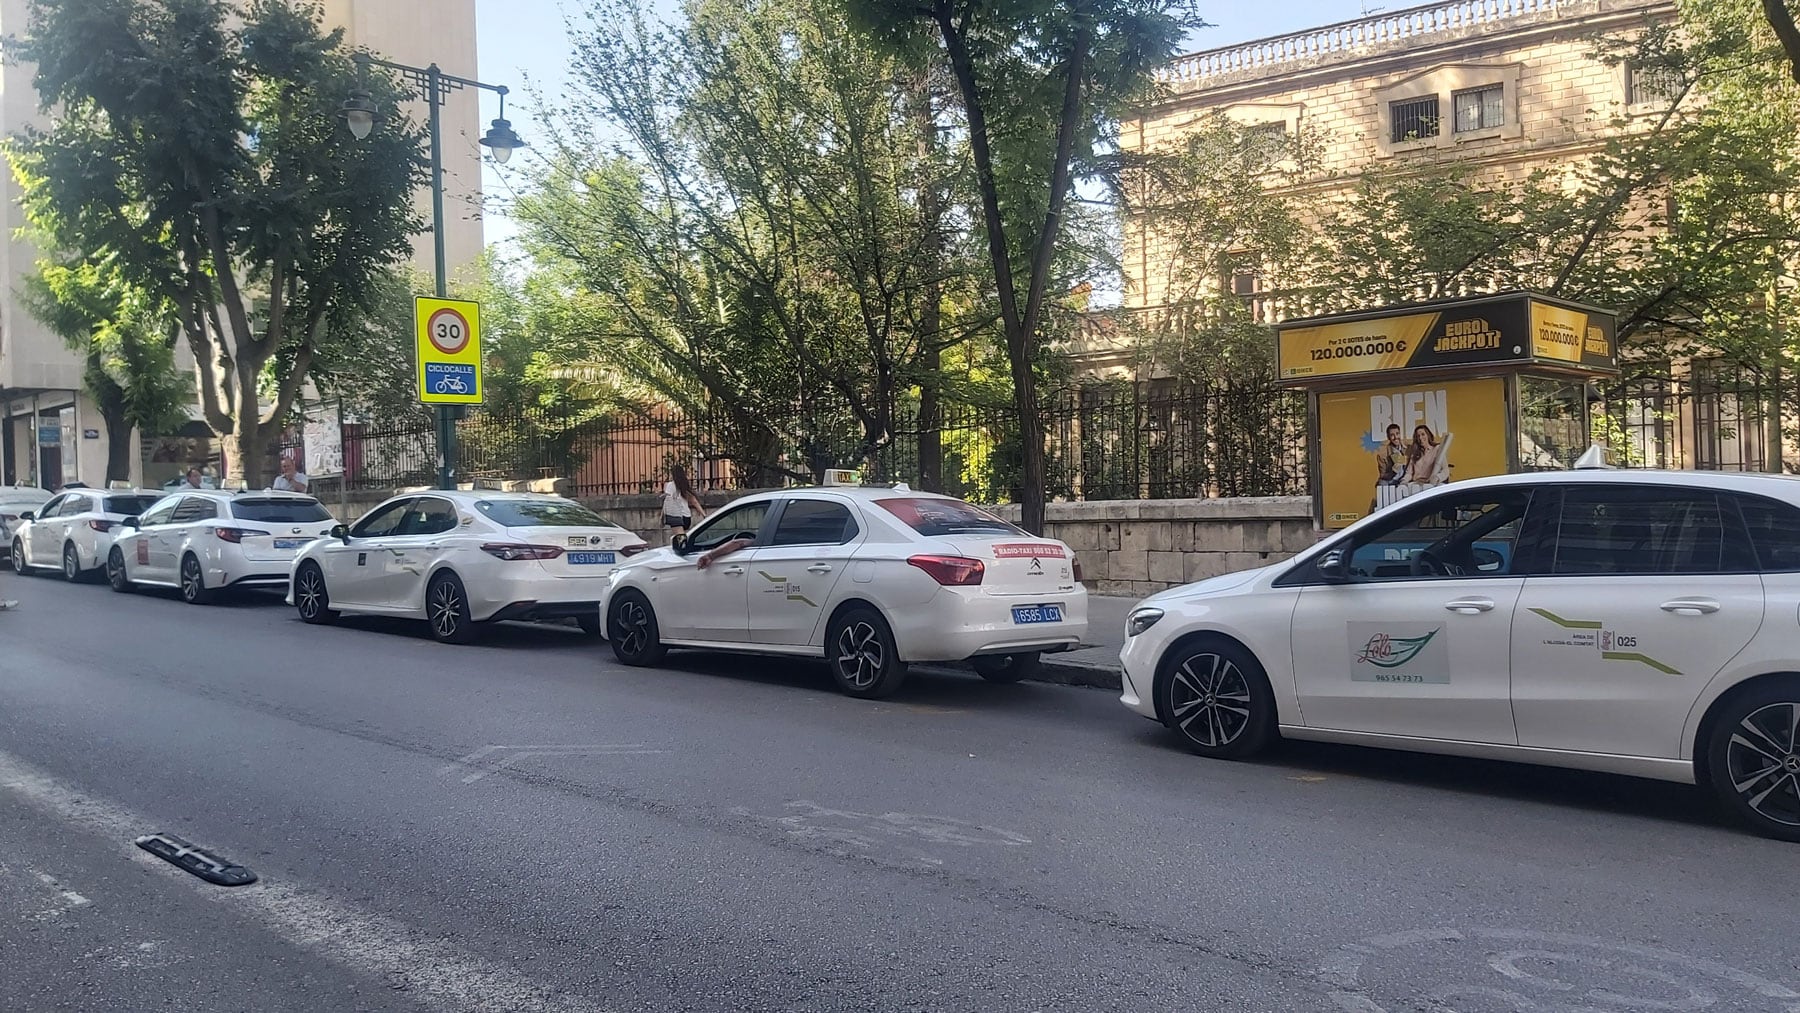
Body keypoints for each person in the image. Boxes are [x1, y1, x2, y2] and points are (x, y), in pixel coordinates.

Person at [661, 465, 705, 541]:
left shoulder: (670, 485)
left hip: (675, 516)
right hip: (686, 516)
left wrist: (662, 517)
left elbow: (666, 502)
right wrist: (704, 514)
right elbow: (694, 501)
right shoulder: (684, 485)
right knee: (682, 538)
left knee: (681, 541)